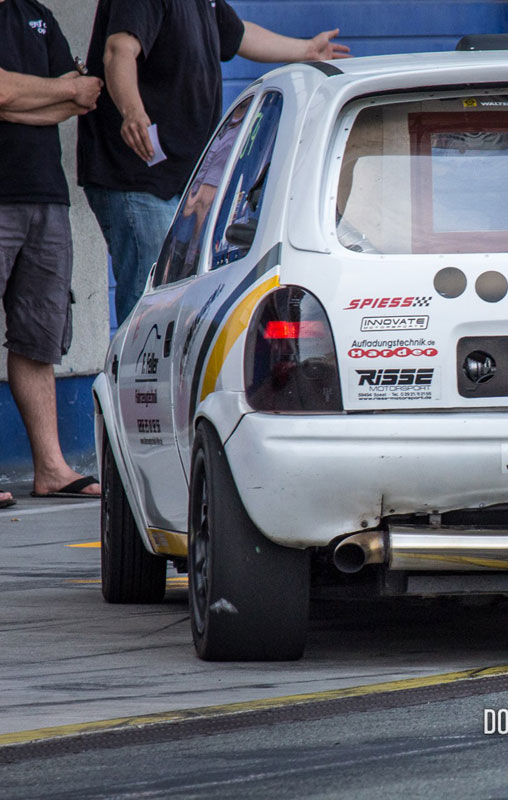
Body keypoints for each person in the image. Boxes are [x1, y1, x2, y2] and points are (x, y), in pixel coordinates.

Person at [77, 1, 349, 325]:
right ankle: (134, 377)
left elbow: (239, 35)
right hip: (139, 176)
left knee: (180, 300)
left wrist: (306, 50)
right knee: (150, 305)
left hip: (182, 180)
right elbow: (119, 49)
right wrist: (132, 111)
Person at [0, 0, 105, 507]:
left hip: (46, 195)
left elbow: (82, 100)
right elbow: (12, 90)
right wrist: (60, 89)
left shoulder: (37, 14)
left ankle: (51, 468)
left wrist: (25, 98)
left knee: (39, 337)